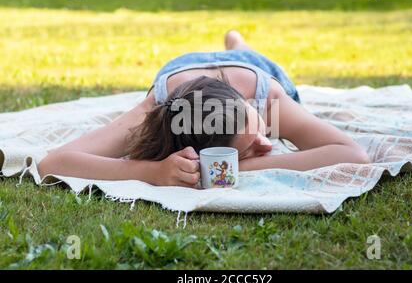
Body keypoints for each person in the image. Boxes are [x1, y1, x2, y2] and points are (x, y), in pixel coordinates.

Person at [38, 30, 369, 188]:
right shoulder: (159, 110)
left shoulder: (266, 102)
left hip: (251, 68)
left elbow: (354, 155)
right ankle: (233, 44)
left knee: (248, 55)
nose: (267, 144)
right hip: (184, 68)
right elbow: (53, 162)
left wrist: (239, 168)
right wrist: (151, 171)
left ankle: (238, 45)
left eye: (257, 130)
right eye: (247, 150)